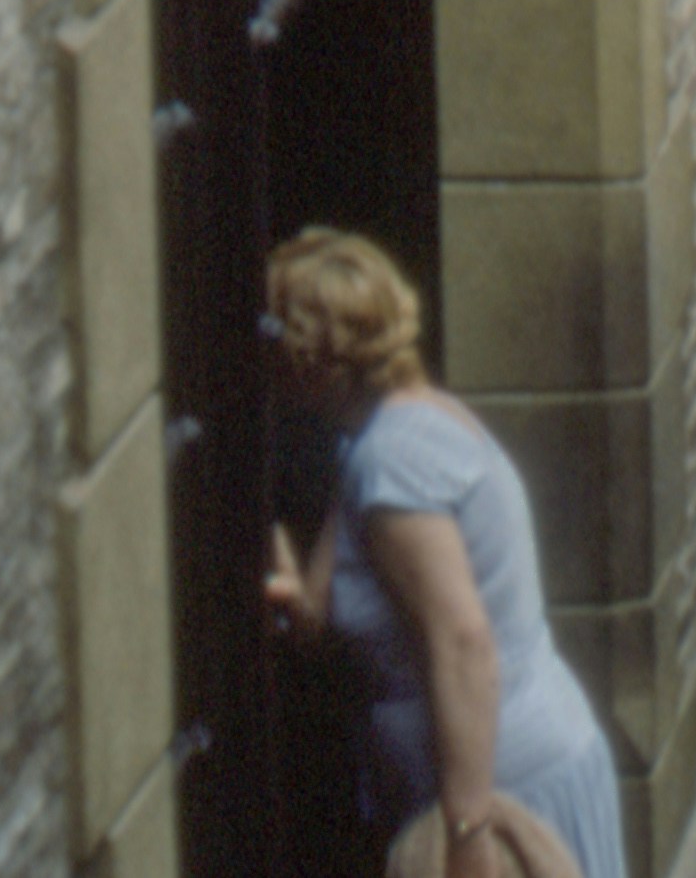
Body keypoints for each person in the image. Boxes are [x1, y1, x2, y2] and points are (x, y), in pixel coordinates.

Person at [259, 229, 632, 878]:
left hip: (502, 798)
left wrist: (467, 835)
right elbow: (324, 612)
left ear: (314, 359)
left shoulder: (394, 463)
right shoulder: (390, 432)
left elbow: (463, 641)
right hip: (499, 781)